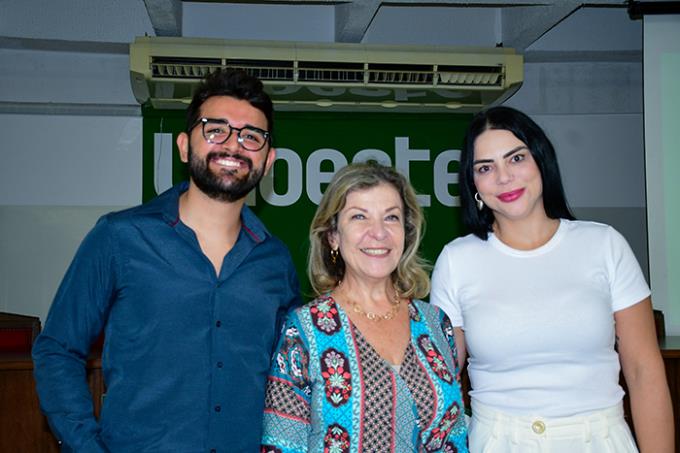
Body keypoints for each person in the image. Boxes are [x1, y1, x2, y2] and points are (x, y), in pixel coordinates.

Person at [31, 69, 301, 452]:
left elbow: (293, 378)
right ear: (184, 146)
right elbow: (57, 349)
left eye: (251, 136)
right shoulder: (119, 237)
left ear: (268, 159)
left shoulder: (275, 262)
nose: (233, 145)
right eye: (215, 130)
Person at [430, 106, 674, 452]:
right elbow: (441, 377)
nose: (503, 177)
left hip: (601, 440)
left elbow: (644, 372)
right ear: (474, 186)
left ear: (541, 161)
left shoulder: (604, 244)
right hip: (498, 441)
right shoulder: (457, 260)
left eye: (516, 159)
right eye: (486, 167)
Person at [260, 162, 468, 452]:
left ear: (406, 233)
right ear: (333, 235)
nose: (378, 233)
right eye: (360, 216)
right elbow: (282, 444)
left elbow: (454, 435)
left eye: (391, 218)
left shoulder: (436, 324)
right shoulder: (305, 331)